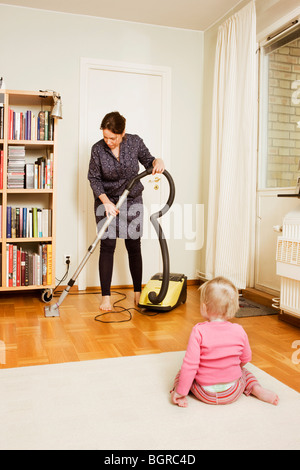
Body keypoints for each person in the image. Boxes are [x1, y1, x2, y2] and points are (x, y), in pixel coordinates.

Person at [88, 111, 165, 311]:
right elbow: (94, 178)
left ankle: (138, 293)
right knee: (107, 247)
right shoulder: (97, 149)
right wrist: (105, 202)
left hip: (132, 199)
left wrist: (159, 161)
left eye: (112, 138)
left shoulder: (135, 142)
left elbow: (150, 161)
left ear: (122, 134)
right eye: (105, 137)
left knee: (133, 246)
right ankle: (106, 297)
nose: (108, 141)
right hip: (106, 201)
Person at [171, 276, 279, 407]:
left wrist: (180, 391)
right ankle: (256, 389)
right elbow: (246, 358)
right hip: (233, 391)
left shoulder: (198, 331)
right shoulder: (239, 330)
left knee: (183, 372)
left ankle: (180, 393)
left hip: (204, 392)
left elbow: (190, 365)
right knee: (244, 373)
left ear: (204, 307)